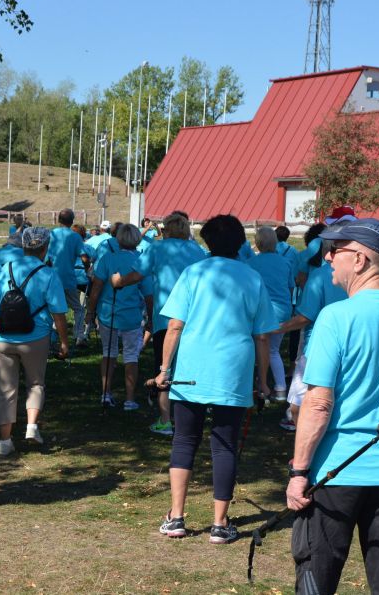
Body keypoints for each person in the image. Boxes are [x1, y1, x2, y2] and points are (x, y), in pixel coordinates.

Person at [285, 218, 379, 593]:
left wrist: (299, 471)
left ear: (359, 259)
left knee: (316, 576)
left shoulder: (335, 318)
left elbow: (318, 404)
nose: (327, 258)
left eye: (334, 251)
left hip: (336, 471)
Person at [155, 214, 277, 544]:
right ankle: (220, 524)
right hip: (233, 370)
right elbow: (262, 336)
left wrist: (165, 368)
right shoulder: (252, 277)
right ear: (240, 243)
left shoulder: (193, 273)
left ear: (207, 241)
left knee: (184, 441)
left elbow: (175, 326)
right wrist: (263, 380)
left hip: (191, 369)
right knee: (225, 445)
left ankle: (176, 517)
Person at [112, 213, 206, 434]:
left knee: (164, 367)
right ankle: (191, 415)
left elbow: (137, 274)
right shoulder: (196, 250)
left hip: (167, 315)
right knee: (190, 366)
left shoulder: (157, 248)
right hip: (194, 317)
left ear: (167, 230)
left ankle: (166, 420)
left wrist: (119, 281)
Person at [0, 227, 69, 456]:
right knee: (36, 383)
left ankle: (5, 441)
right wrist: (64, 341)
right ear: (45, 248)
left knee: (6, 389)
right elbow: (58, 313)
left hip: (2, 337)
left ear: (24, 246)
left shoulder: (5, 269)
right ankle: (31, 426)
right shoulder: (48, 274)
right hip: (35, 336)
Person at [278, 238, 348, 429]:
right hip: (351, 346)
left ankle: (306, 440)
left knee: (298, 405)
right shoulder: (358, 275)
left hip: (318, 348)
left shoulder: (320, 275)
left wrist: (277, 328)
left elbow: (306, 316)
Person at [86, 224, 153, 410]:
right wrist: (151, 318)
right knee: (131, 356)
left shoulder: (107, 258)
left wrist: (90, 311)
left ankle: (105, 394)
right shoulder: (142, 261)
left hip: (108, 314)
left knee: (108, 353)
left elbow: (96, 288)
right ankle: (130, 399)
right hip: (132, 315)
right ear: (137, 240)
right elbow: (149, 294)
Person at [247, 227, 294, 402]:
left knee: (256, 350)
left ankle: (257, 384)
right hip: (282, 311)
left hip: (259, 311)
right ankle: (280, 388)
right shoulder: (285, 263)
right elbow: (290, 288)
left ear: (258, 243)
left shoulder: (250, 263)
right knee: (273, 350)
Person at [47, 209, 89, 345]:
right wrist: (88, 270)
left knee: (53, 308)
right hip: (68, 279)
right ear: (72, 221)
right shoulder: (75, 237)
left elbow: (46, 258)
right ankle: (79, 335)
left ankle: (52, 337)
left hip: (52, 278)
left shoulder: (51, 234)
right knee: (78, 309)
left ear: (58, 220)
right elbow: (84, 257)